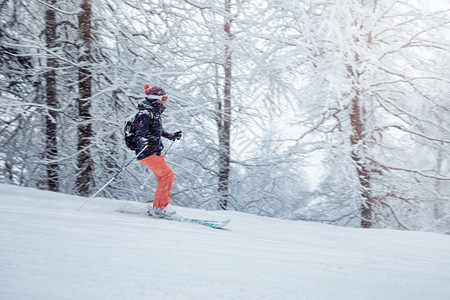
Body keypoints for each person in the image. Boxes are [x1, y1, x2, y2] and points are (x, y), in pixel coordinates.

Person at [134, 83, 182, 218]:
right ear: (154, 97)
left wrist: (171, 135)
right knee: (167, 175)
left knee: (164, 177)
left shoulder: (154, 113)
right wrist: (145, 141)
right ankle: (161, 208)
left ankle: (159, 206)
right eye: (163, 98)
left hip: (154, 151)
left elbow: (157, 131)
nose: (164, 100)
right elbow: (140, 135)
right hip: (146, 152)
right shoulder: (144, 114)